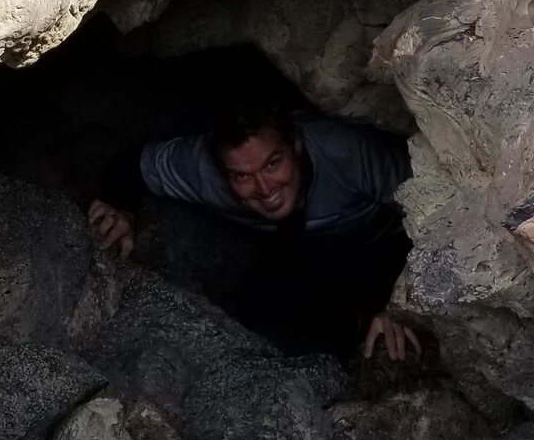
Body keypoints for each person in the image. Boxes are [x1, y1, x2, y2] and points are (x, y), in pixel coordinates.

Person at [88, 103, 422, 362]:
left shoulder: (347, 151)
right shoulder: (203, 170)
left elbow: (437, 209)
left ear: (295, 144)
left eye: (273, 164)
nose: (264, 188)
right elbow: (132, 164)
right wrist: (120, 208)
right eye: (242, 177)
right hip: (292, 251)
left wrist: (398, 304)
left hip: (378, 241)